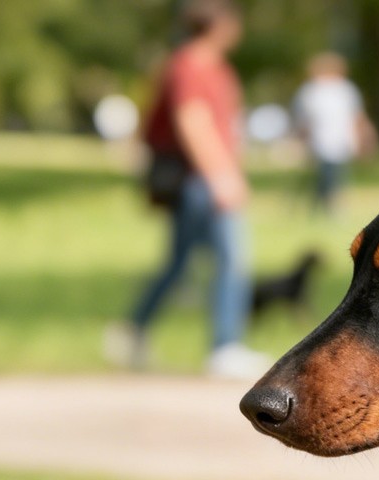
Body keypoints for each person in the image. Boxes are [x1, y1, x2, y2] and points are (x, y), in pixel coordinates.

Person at [104, 0, 267, 379]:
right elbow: (192, 123)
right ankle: (225, 346)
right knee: (231, 259)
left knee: (179, 263)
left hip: (202, 179)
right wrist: (221, 176)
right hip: (200, 180)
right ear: (220, 25)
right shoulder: (190, 65)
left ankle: (132, 331)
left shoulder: (212, 67)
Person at [292, 53, 376, 212]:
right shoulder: (311, 91)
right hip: (320, 140)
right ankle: (325, 204)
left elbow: (356, 117)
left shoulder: (345, 90)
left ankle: (327, 203)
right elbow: (304, 120)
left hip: (341, 139)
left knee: (334, 174)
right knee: (326, 173)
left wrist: (362, 137)